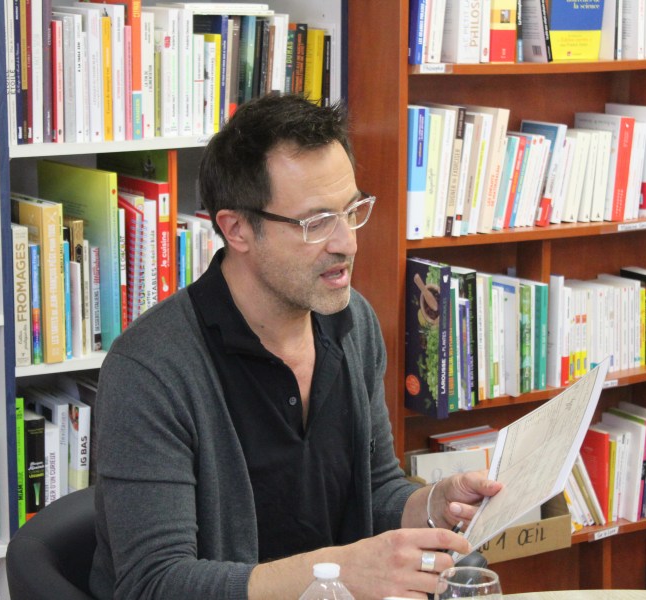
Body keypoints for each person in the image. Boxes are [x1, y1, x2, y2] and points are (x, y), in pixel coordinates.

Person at [89, 93, 502, 600]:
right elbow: (154, 585)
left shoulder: (353, 323)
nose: (347, 242)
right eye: (316, 222)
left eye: (352, 211)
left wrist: (434, 505)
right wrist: (340, 571)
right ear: (237, 229)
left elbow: (375, 490)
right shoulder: (150, 369)